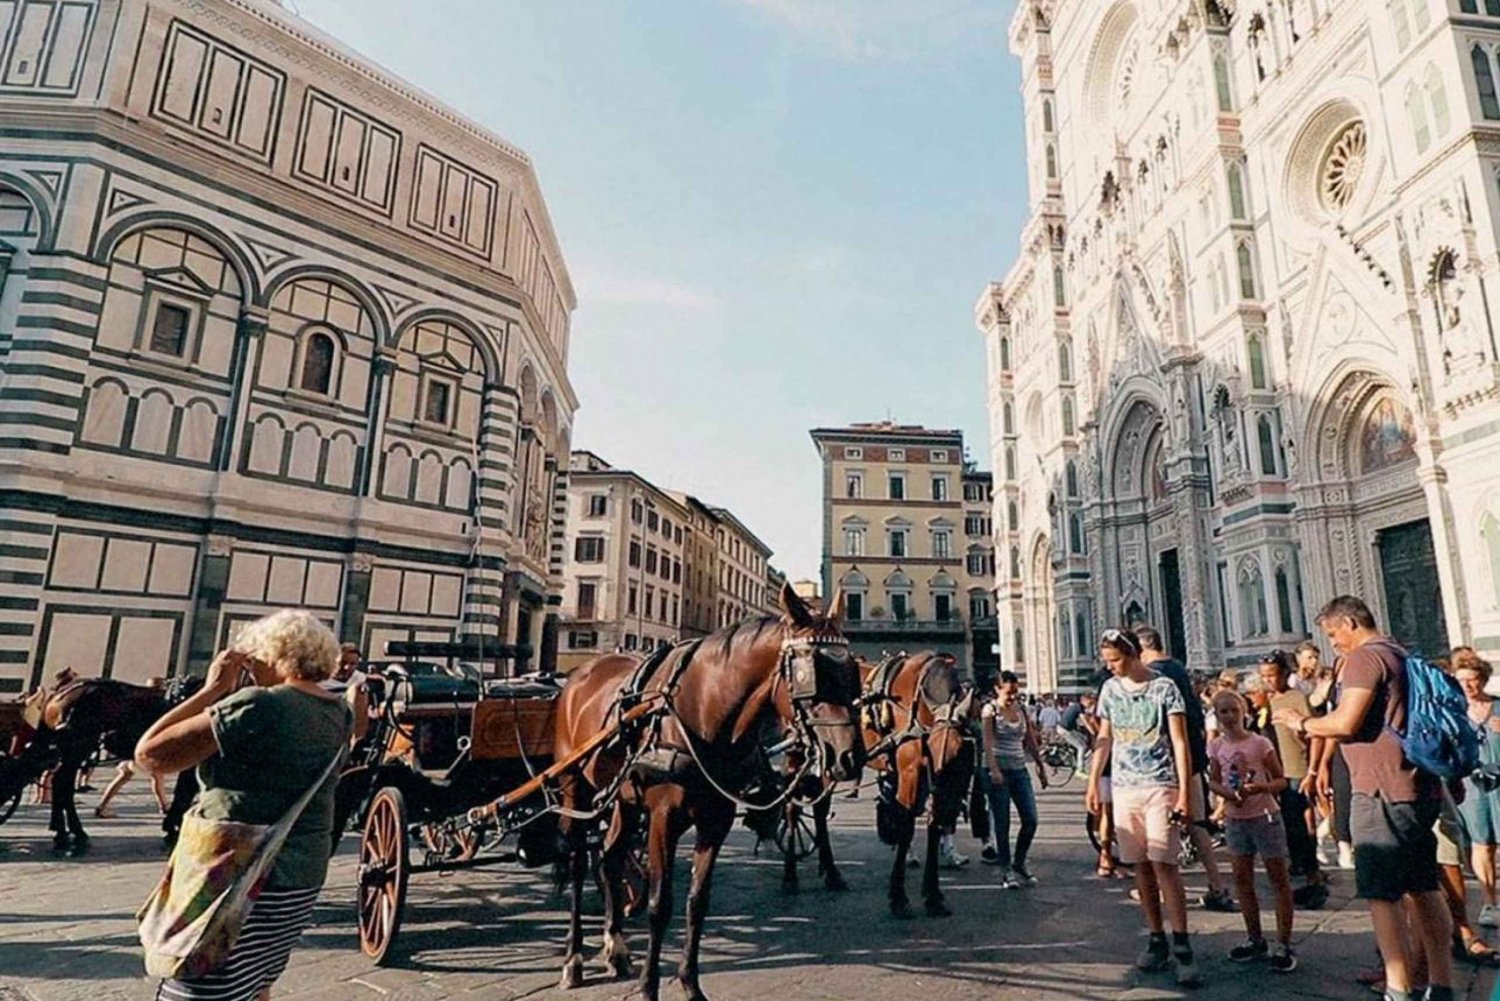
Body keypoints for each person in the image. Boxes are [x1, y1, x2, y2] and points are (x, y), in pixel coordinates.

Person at [135, 609, 353, 1001]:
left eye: (256, 654)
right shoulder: (340, 712)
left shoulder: (258, 706)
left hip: (240, 869)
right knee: (256, 983)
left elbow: (150, 755)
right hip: (301, 874)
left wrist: (212, 690)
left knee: (198, 985)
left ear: (275, 654)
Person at [1272, 595, 1454, 1001]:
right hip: (1417, 785)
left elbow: (1347, 720)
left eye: (1335, 634)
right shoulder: (1399, 653)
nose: (1334, 644)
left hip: (1381, 788)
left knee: (1381, 894)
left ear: (1351, 624)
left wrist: (1302, 722)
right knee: (1424, 886)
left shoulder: (1364, 659)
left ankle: (1399, 987)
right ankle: (1441, 984)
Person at [1086, 629, 1201, 987]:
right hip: (1124, 787)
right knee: (1139, 866)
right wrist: (1092, 781)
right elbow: (1103, 737)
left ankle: (1182, 946)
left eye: (1115, 661)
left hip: (1159, 784)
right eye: (1107, 662)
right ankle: (1156, 939)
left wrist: (1184, 792)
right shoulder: (1109, 690)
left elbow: (1179, 742)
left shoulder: (1165, 687)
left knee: (1164, 864)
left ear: (1132, 654)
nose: (1111, 668)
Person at [1135, 625, 1235, 913]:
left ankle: (1162, 886)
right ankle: (1217, 886)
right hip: (1191, 756)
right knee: (1197, 823)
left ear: (1142, 650)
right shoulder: (1177, 668)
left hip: (1167, 762)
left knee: (1161, 825)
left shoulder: (1155, 675)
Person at [1207, 689, 1297, 971]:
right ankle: (1254, 938)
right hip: (1236, 818)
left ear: (1244, 712)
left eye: (1234, 710)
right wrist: (1226, 795)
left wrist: (1261, 788)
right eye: (1224, 712)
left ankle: (1283, 942)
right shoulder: (1216, 747)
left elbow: (1281, 780)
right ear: (1217, 716)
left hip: (1265, 815)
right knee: (1242, 879)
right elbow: (1213, 780)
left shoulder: (1260, 743)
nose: (1230, 717)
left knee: (1278, 879)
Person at [1259, 651, 1329, 907]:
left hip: (1296, 771)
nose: (1267, 681)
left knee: (1300, 826)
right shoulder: (1264, 701)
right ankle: (1300, 876)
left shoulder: (1296, 698)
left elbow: (1315, 735)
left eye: (1272, 675)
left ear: (1285, 675)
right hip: (1274, 773)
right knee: (1287, 829)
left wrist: (1313, 770)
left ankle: (1314, 880)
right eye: (1263, 676)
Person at [980, 671, 1048, 886]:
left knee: (1030, 819)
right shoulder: (990, 710)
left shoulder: (1021, 709)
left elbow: (1029, 738)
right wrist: (994, 769)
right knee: (1002, 822)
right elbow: (987, 743)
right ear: (997, 690)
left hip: (1019, 769)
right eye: (1008, 693)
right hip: (997, 770)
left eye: (1015, 692)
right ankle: (1005, 868)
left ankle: (1019, 861)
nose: (1012, 697)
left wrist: (1040, 764)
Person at [1455, 657, 1500, 926]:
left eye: (1472, 678)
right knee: (1481, 842)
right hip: (1471, 785)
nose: (1467, 685)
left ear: (1482, 678)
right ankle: (1489, 902)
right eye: (1461, 680)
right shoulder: (1454, 711)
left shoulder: (1498, 706)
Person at [1059, 693, 1093, 777]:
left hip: (1067, 728)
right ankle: (1080, 769)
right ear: (1084, 700)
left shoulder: (1075, 706)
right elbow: (1085, 721)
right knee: (1082, 747)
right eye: (1090, 703)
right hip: (1065, 730)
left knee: (1083, 739)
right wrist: (1093, 732)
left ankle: (1078, 757)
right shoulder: (1079, 707)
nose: (1090, 705)